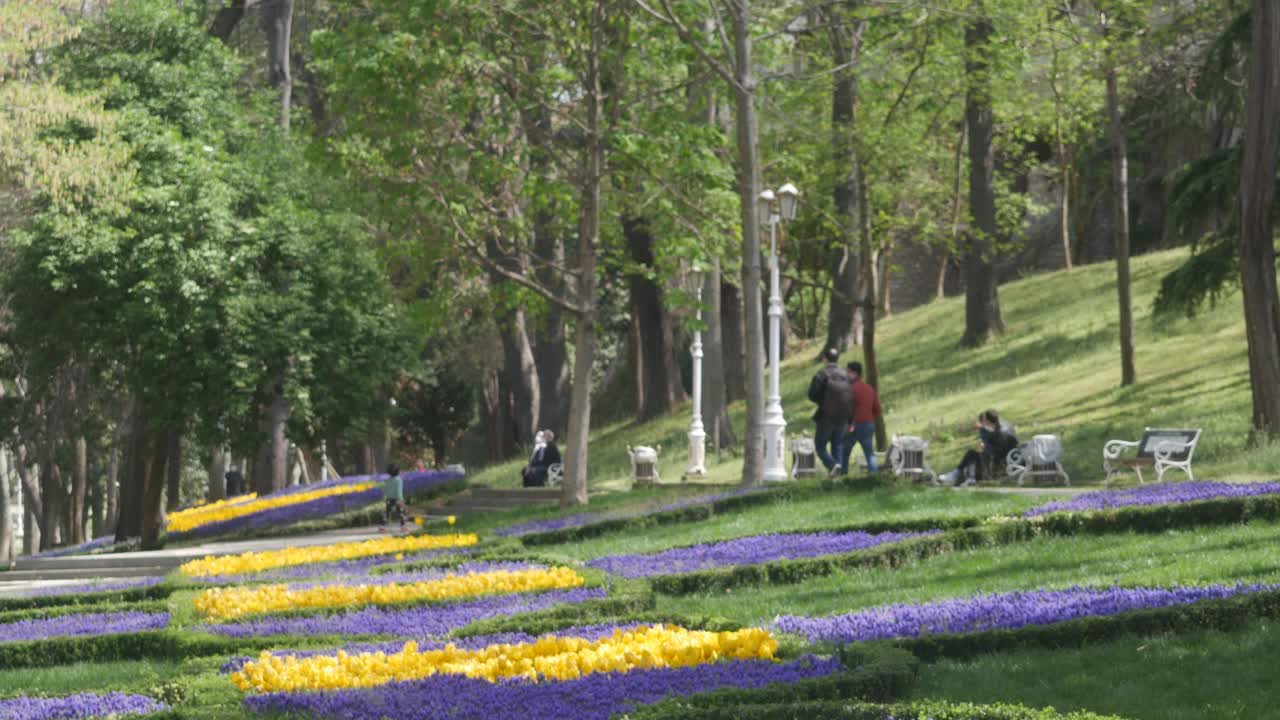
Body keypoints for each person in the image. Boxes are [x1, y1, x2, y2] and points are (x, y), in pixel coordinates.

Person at [939, 410, 1018, 487]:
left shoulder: (1003, 431)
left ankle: (966, 476)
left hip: (1004, 458)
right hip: (999, 454)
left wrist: (985, 446)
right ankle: (963, 475)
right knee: (971, 453)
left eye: (984, 420)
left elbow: (1000, 449)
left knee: (975, 453)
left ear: (987, 421)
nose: (982, 422)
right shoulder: (993, 427)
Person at [807, 347, 854, 475]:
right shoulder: (846, 375)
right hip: (844, 416)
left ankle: (833, 465)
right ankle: (838, 476)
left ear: (824, 359)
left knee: (820, 446)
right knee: (837, 444)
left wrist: (824, 402)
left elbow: (812, 394)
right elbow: (852, 396)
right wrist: (851, 420)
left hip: (826, 415)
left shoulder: (821, 374)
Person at [841, 361, 883, 473]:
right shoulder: (870, 389)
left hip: (854, 425)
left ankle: (843, 475)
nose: (845, 374)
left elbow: (845, 409)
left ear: (854, 373)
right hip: (869, 424)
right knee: (869, 453)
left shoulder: (850, 389)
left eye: (847, 372)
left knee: (844, 450)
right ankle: (874, 476)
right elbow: (878, 410)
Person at [379, 463, 407, 532]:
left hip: (388, 499)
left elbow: (384, 489)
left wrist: (384, 497)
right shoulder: (399, 480)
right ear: (398, 471)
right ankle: (403, 527)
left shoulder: (387, 480)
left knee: (387, 513)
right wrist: (401, 500)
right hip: (397, 499)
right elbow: (399, 491)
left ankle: (382, 527)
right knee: (401, 513)